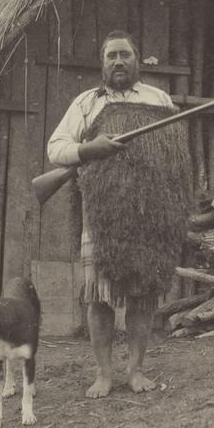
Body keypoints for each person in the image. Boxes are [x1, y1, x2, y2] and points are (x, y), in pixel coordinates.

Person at [47, 30, 175, 398]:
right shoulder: (86, 103)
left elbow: (175, 149)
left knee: (143, 295)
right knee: (98, 296)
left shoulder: (159, 99)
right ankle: (103, 374)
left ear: (137, 59)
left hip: (148, 211)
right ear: (102, 64)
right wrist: (89, 149)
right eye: (111, 56)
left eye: (125, 55)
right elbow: (56, 149)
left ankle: (135, 371)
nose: (118, 62)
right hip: (100, 212)